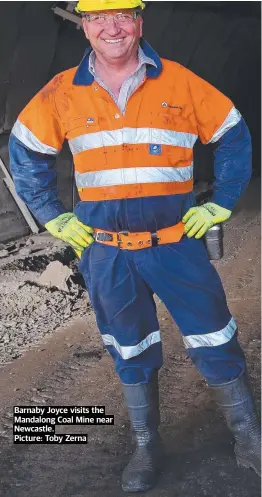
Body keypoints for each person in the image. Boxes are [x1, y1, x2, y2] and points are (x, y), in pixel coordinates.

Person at [9, 0, 260, 492]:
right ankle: (146, 444)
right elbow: (25, 151)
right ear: (84, 26)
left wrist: (223, 201)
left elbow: (232, 133)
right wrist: (53, 215)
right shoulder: (61, 92)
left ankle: (248, 437)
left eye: (122, 13)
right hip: (107, 253)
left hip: (176, 244)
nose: (111, 26)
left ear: (140, 22)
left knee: (214, 336)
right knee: (130, 346)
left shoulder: (180, 82)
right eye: (98, 16)